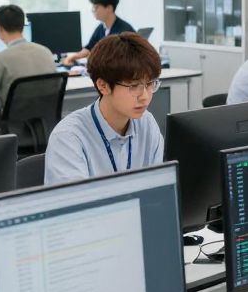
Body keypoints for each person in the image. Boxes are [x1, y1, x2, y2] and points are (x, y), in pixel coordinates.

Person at [44, 32, 163, 185]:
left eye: (150, 84)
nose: (145, 96)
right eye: (134, 86)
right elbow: (75, 206)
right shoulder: (69, 138)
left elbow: (158, 189)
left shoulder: (147, 124)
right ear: (103, 86)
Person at [62, 0, 135, 65]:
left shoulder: (124, 31)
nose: (93, 10)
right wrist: (72, 57)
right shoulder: (101, 28)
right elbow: (89, 48)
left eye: (96, 7)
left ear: (109, 8)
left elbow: (121, 58)